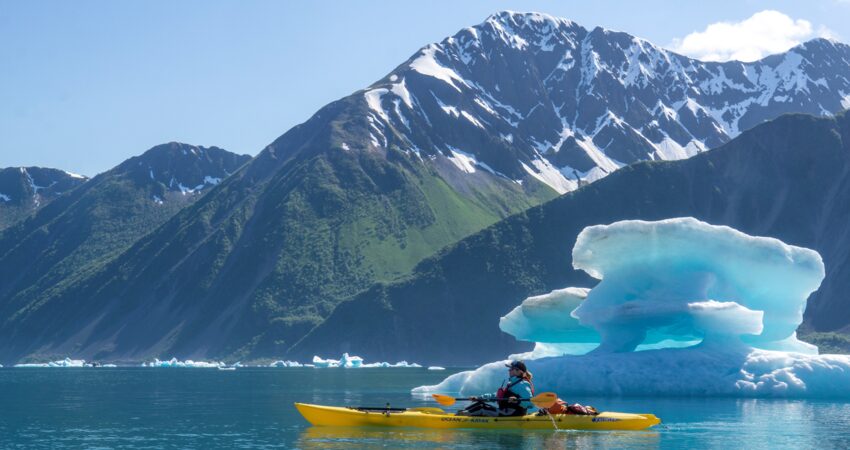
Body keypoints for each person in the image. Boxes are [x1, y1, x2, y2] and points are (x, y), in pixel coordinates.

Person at [457, 360, 535, 417]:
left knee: (482, 408)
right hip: (505, 411)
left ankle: (459, 418)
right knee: (479, 403)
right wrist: (478, 398)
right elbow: (497, 395)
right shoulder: (511, 383)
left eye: (511, 369)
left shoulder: (523, 384)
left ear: (519, 371)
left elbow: (530, 403)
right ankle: (459, 414)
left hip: (513, 413)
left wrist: (517, 400)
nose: (509, 370)